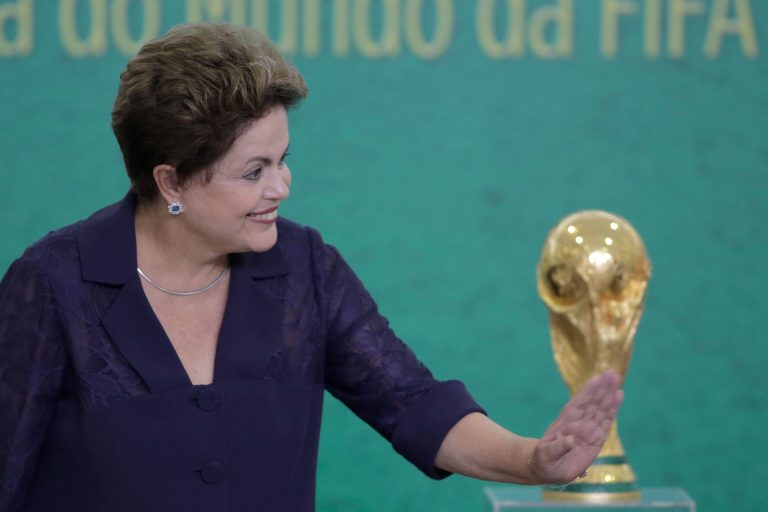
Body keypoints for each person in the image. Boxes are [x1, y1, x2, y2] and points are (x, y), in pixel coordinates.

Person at [0, 23, 622, 512]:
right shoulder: (53, 283)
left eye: (283, 159)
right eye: (255, 171)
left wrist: (534, 460)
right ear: (171, 181)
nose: (283, 187)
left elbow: (412, 404)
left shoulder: (305, 270)